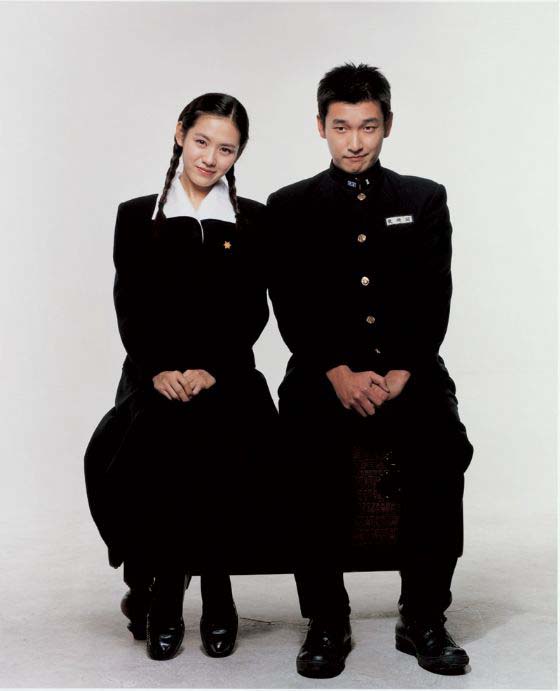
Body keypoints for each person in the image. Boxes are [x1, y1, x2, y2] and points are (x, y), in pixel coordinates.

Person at [267, 63, 474, 678]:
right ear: (320, 127)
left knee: (443, 450)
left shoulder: (423, 198)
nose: (355, 142)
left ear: (387, 125)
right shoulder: (290, 205)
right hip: (321, 372)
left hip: (411, 369)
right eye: (341, 127)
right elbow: (290, 302)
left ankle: (424, 616)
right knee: (305, 457)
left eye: (368, 126)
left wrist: (405, 369)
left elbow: (434, 294)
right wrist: (335, 370)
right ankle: (327, 619)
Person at [84, 93, 279, 662]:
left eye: (226, 149)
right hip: (154, 374)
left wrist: (211, 369)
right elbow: (130, 306)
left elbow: (253, 311)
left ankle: (216, 586)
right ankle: (168, 589)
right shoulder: (137, 215)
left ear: (238, 154)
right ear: (179, 134)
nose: (210, 158)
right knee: (162, 430)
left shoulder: (252, 220)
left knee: (215, 430)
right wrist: (160, 369)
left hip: (227, 374)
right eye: (201, 142)